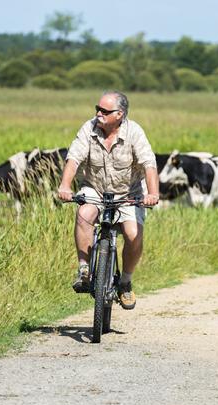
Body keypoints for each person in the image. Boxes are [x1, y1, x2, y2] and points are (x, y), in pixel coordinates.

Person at [57, 91, 159, 310]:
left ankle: (125, 282)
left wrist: (152, 193)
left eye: (104, 111)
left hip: (128, 192)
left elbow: (149, 164)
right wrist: (65, 185)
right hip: (95, 187)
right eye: (97, 108)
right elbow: (74, 158)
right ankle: (84, 269)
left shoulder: (134, 132)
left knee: (133, 234)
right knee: (84, 214)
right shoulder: (89, 128)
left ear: (120, 114)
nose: (98, 113)